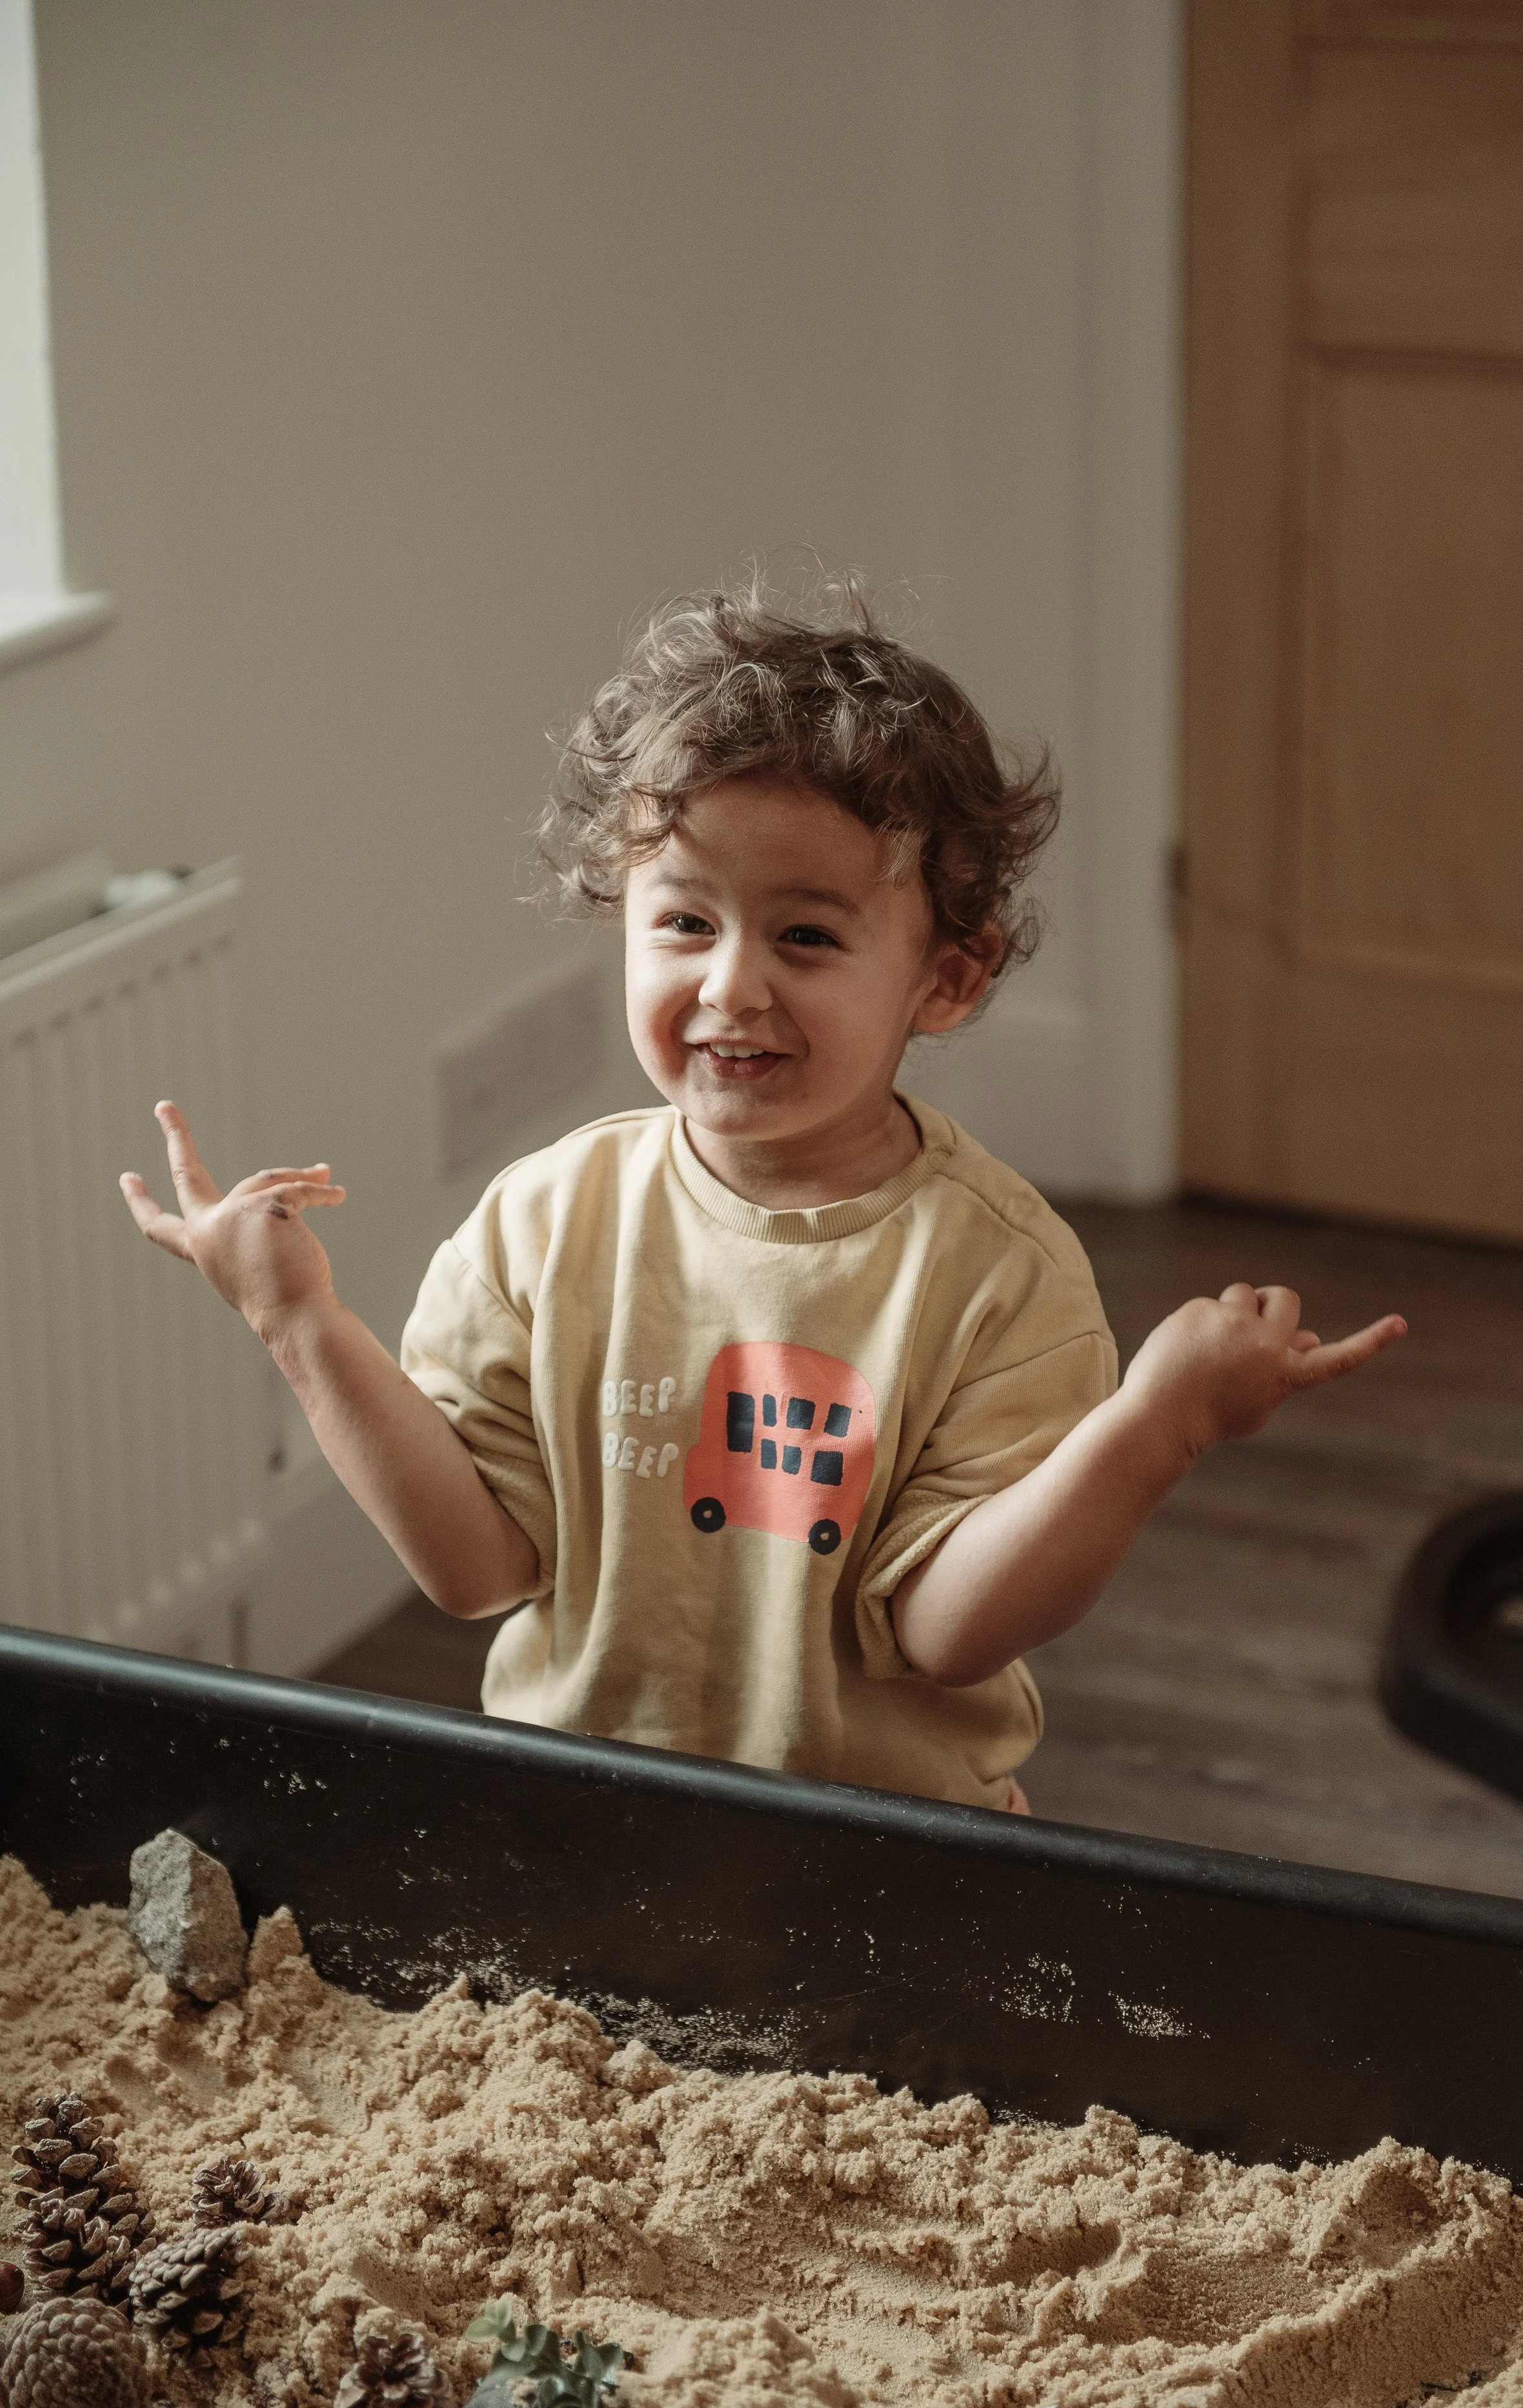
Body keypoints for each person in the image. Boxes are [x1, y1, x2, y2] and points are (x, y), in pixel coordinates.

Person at [121, 578, 1406, 1812]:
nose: (732, 988)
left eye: (804, 936)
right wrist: (299, 1325)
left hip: (885, 1848)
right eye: (684, 924)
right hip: (584, 1823)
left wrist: (1154, 1424)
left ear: (945, 982)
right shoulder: (540, 1223)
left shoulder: (999, 1273)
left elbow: (945, 1631)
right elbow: (473, 1569)